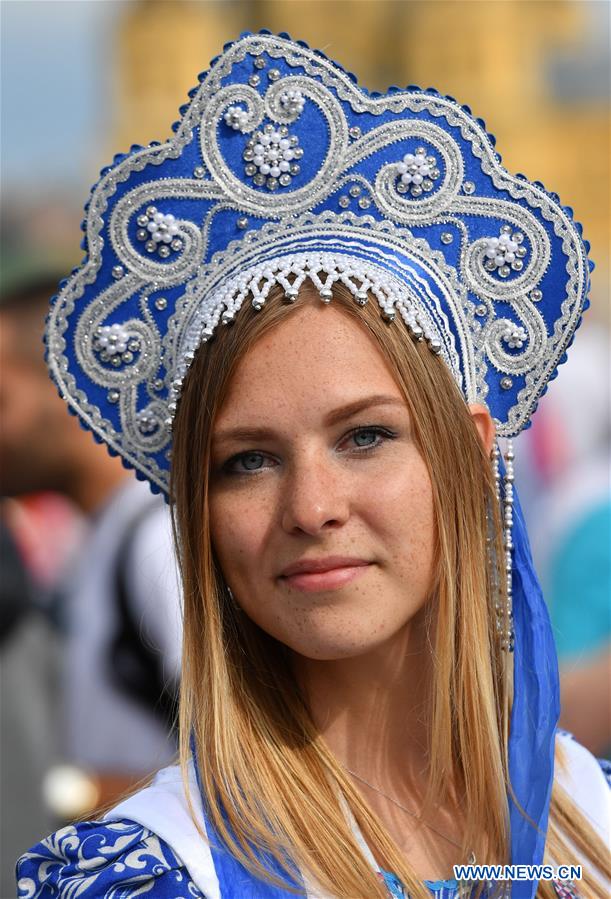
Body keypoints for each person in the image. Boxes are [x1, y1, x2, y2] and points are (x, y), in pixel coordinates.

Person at [16, 31, 610, 899]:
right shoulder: (157, 874)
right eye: (247, 461)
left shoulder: (587, 814)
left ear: (472, 454)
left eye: (364, 436)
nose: (312, 505)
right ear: (195, 511)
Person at [1, 276, 182, 813]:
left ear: (74, 386)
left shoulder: (160, 542)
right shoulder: (104, 538)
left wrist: (93, 803)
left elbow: (263, 760)